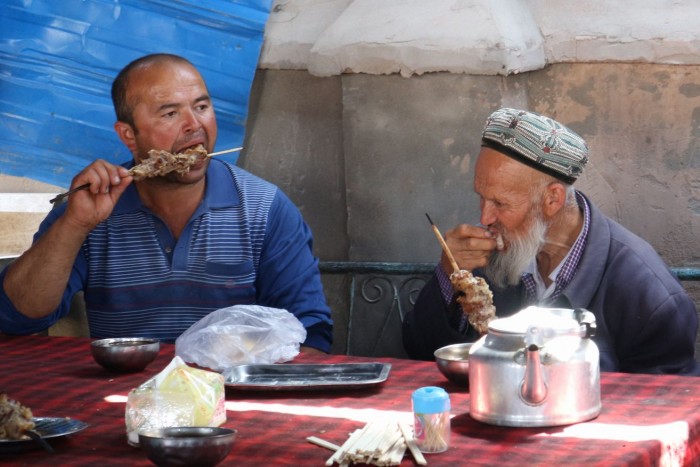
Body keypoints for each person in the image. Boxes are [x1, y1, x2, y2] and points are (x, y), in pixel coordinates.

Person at [0, 53, 333, 353]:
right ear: (128, 135)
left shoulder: (264, 208)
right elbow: (19, 317)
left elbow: (310, 334)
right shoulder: (88, 208)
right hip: (127, 392)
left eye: (201, 107)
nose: (195, 125)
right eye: (171, 113)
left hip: (233, 392)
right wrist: (74, 225)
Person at [403, 107, 700, 375]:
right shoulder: (490, 256)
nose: (485, 217)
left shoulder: (646, 292)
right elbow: (420, 350)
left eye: (501, 203)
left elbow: (664, 410)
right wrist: (448, 275)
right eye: (481, 197)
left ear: (552, 199)